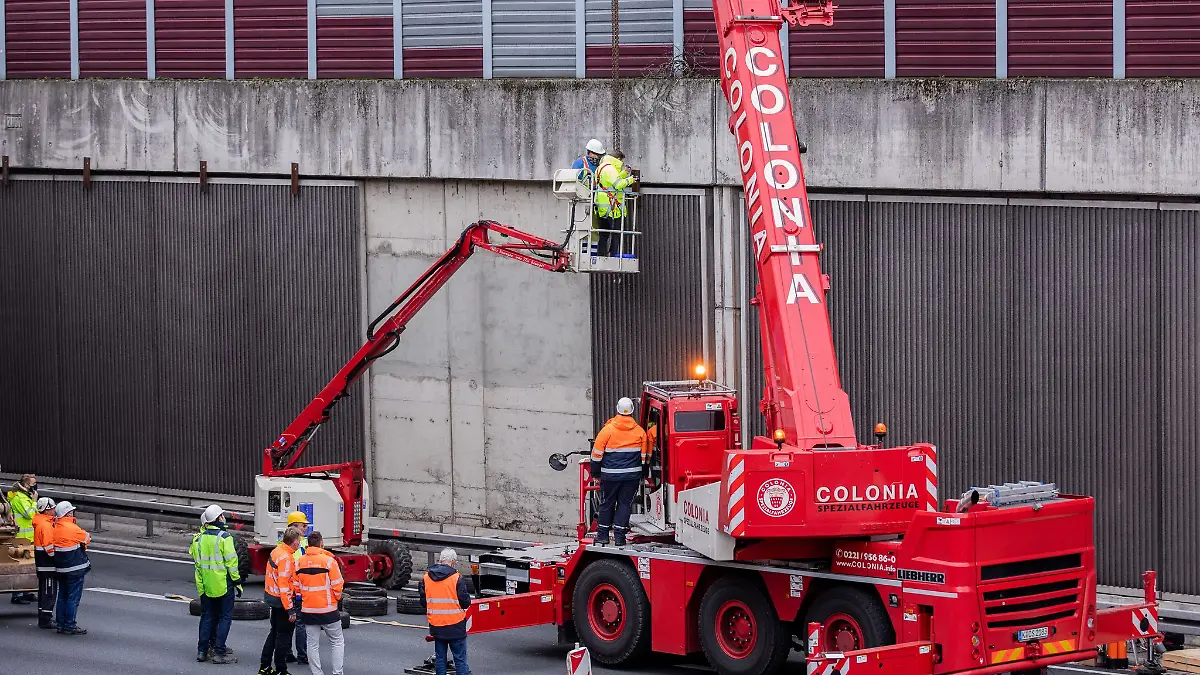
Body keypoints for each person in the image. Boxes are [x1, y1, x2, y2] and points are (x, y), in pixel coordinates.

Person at [590, 397, 647, 546]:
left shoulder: (607, 430)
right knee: (625, 504)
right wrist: (641, 473)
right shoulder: (640, 432)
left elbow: (596, 455)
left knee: (607, 503)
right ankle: (620, 538)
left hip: (610, 476)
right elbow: (644, 458)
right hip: (631, 477)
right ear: (632, 411)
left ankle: (603, 536)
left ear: (617, 410)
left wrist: (596, 473)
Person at [190, 504, 242, 664]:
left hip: (206, 585)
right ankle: (219, 652)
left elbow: (198, 566)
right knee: (225, 617)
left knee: (207, 617)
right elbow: (232, 563)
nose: (223, 518)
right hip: (223, 585)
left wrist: (201, 587)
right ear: (218, 518)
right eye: (222, 515)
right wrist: (237, 581)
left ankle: (202, 651)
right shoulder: (225, 538)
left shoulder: (198, 539)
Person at [296, 531, 344, 675]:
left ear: (308, 544)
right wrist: (336, 599)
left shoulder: (299, 562)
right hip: (328, 609)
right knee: (337, 641)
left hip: (308, 609)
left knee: (312, 644)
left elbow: (296, 587)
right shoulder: (329, 561)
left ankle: (317, 673)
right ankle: (337, 672)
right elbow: (338, 585)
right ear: (321, 543)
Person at [418, 548, 472, 675]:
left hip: (437, 626)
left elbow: (423, 602)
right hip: (456, 626)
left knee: (440, 660)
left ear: (440, 560)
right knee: (460, 660)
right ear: (453, 562)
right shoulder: (456, 578)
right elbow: (466, 602)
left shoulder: (427, 578)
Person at [260, 527, 302, 675]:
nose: (300, 543)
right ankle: (281, 670)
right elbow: (284, 586)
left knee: (274, 632)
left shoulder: (276, 551)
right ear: (294, 542)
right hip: (282, 601)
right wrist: (290, 609)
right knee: (283, 636)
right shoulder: (286, 558)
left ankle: (265, 666)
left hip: (272, 597)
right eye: (299, 540)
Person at [50, 500, 90, 635]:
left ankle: (60, 624)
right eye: (71, 511)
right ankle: (70, 625)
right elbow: (86, 538)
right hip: (75, 569)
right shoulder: (73, 528)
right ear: (68, 513)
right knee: (73, 598)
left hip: (60, 569)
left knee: (62, 596)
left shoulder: (55, 528)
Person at [593, 151, 636, 257]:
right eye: (621, 160)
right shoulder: (610, 169)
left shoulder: (602, 167)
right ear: (618, 159)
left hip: (602, 206)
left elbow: (610, 182)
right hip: (612, 208)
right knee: (616, 233)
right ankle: (613, 255)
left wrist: (624, 174)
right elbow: (617, 184)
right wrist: (631, 179)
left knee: (604, 233)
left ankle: (601, 255)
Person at [7, 474, 38, 604]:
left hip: (28, 537)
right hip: (21, 538)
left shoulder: (25, 496)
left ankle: (26, 591)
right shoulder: (19, 498)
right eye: (33, 484)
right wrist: (35, 501)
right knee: (19, 566)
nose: (35, 486)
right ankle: (17, 595)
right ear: (26, 485)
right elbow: (29, 514)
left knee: (28, 566)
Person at [285, 512, 311, 666]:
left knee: (288, 623)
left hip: (289, 591)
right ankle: (302, 655)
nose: (306, 527)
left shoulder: (290, 543)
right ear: (294, 526)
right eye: (303, 525)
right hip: (295, 591)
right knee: (300, 623)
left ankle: (287, 652)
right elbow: (297, 570)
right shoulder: (295, 547)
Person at [32, 496, 58, 629]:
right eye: (52, 508)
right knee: (49, 591)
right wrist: (58, 559)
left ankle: (43, 616)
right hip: (47, 565)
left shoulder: (41, 523)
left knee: (43, 591)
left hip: (41, 564)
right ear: (47, 511)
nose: (54, 510)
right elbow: (49, 548)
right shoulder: (46, 526)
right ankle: (46, 619)